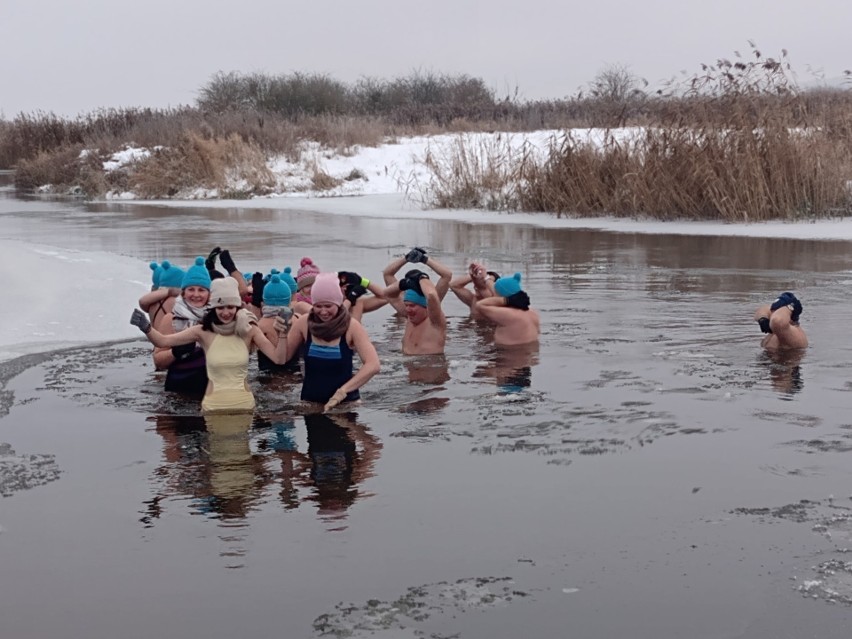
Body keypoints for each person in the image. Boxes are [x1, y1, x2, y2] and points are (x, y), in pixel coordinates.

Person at [130, 276, 289, 414]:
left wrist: (283, 334)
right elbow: (163, 341)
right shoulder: (202, 332)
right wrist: (146, 327)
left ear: (237, 307)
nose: (226, 312)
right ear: (212, 308)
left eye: (230, 307)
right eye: (220, 307)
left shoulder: (249, 330)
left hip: (245, 408)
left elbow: (279, 359)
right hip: (213, 409)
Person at [276, 272, 380, 411]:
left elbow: (373, 365)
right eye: (318, 306)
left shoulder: (351, 326)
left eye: (328, 306)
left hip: (345, 404)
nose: (323, 312)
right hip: (311, 402)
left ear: (338, 303)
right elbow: (282, 359)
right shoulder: (304, 323)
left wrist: (342, 392)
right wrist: (282, 334)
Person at [381, 247, 453, 355]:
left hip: (430, 369)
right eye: (407, 305)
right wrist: (404, 281)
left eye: (413, 306)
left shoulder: (435, 322)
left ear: (425, 305)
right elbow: (387, 289)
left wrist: (422, 276)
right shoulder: (409, 316)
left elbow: (432, 294)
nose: (408, 309)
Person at [474, 272, 540, 346]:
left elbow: (480, 305)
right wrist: (486, 278)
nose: (492, 297)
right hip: (527, 354)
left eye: (494, 295)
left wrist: (506, 300)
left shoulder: (509, 315)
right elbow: (502, 290)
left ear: (504, 298)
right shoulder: (532, 312)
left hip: (507, 354)